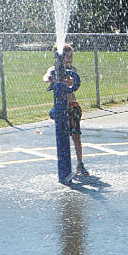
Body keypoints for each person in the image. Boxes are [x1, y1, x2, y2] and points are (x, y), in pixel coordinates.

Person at [43, 44, 88, 177]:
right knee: (62, 136)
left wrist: (68, 81)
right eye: (66, 57)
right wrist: (51, 78)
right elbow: (45, 77)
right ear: (57, 58)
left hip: (72, 106)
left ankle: (80, 163)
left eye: (70, 56)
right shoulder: (53, 70)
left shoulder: (72, 69)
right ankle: (64, 164)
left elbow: (72, 80)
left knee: (76, 136)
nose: (69, 59)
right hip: (59, 108)